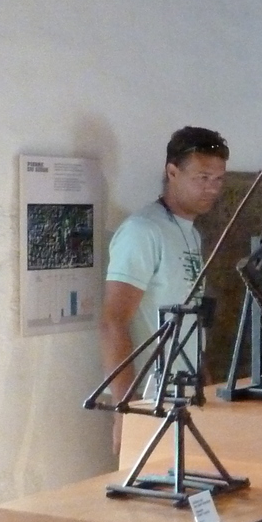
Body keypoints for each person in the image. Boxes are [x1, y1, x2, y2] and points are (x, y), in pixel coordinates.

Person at [100, 126, 229, 457]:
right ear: (172, 172)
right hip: (150, 397)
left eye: (217, 179)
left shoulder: (192, 234)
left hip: (186, 393)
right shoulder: (143, 231)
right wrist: (124, 408)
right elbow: (114, 321)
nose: (212, 188)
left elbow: (189, 317)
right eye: (202, 177)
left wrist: (207, 385)